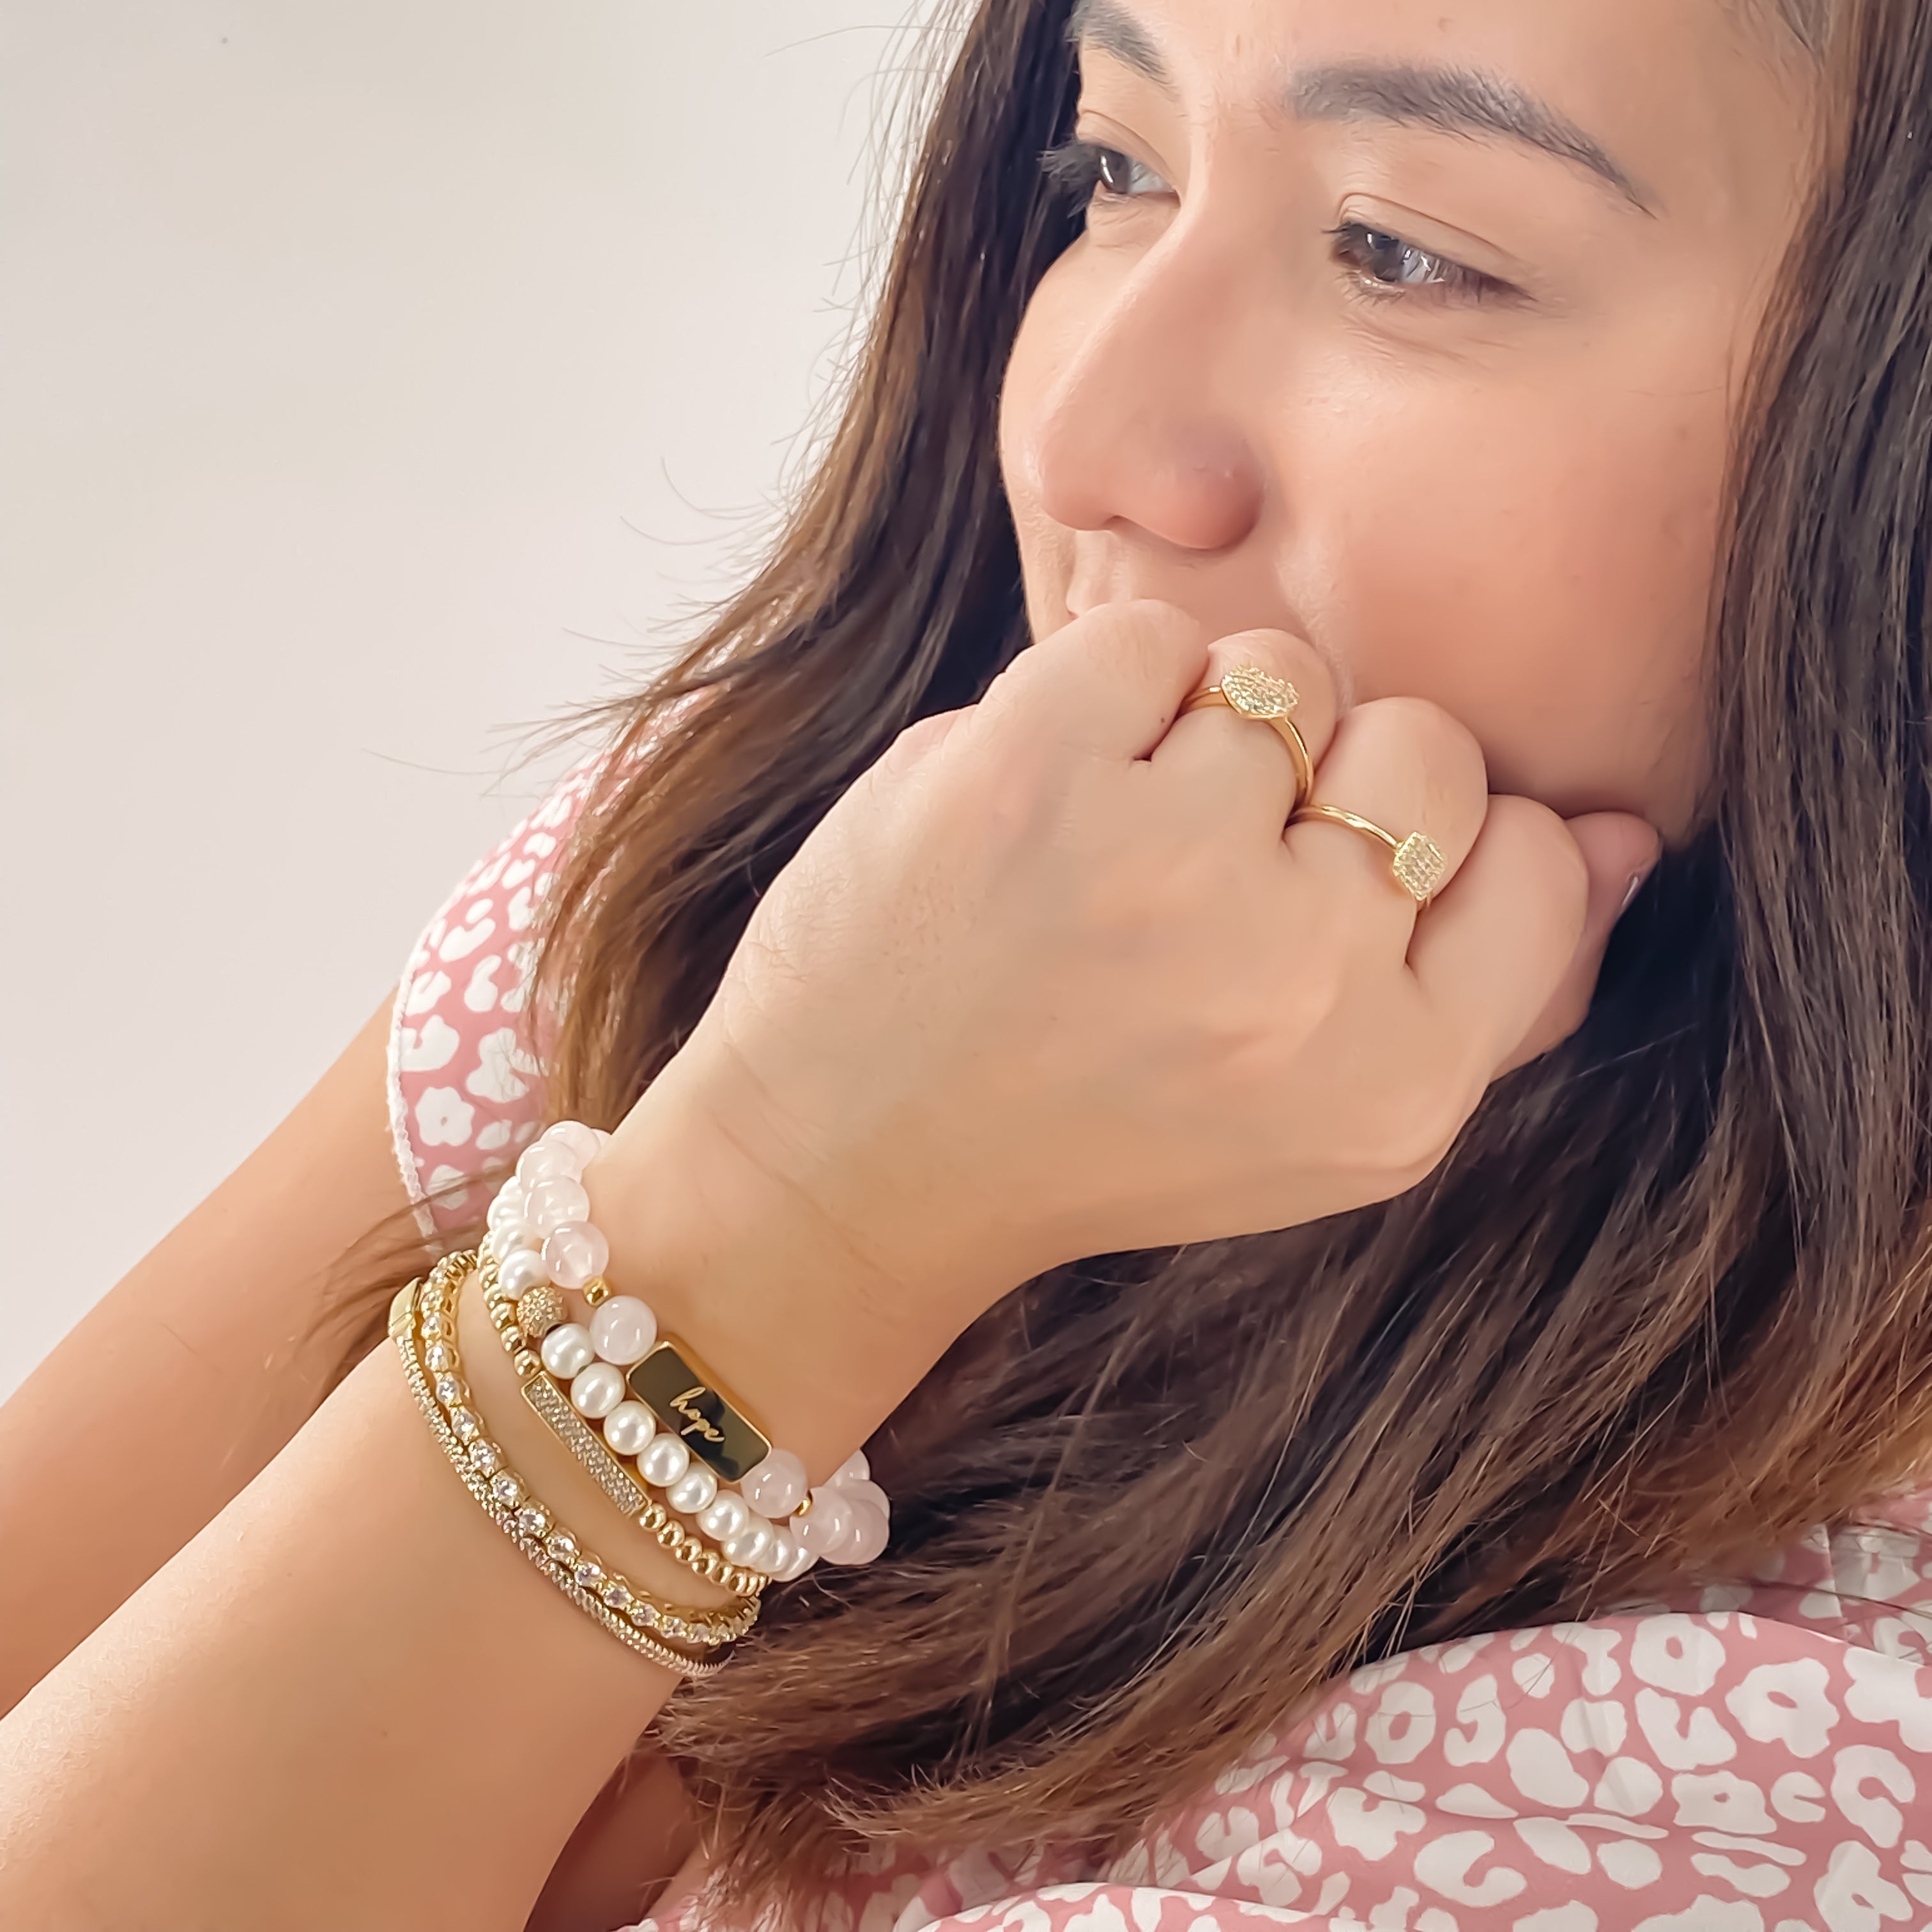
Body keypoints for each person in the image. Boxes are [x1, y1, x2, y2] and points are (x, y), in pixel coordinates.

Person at [3, 0, 1928, 1925]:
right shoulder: (852, 903)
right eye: (1117, 169)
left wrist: (784, 1232)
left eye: (1404, 251)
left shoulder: (1770, 1780)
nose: (1084, 444)